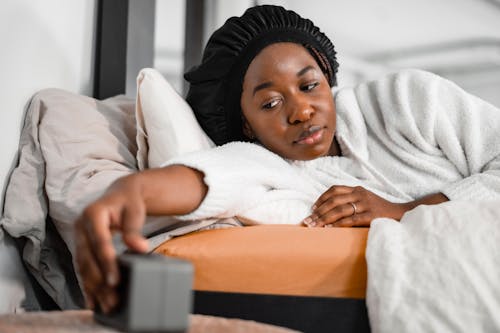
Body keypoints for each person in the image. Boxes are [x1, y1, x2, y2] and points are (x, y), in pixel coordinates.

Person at [75, 5, 500, 313]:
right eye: (271, 103)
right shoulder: (272, 166)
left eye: (310, 85)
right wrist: (126, 192)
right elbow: (215, 177)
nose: (300, 111)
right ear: (245, 126)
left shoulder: (408, 99)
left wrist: (403, 211)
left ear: (328, 78)